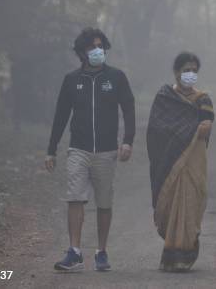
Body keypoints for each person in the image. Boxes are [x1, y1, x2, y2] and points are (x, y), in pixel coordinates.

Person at [45, 27, 135, 271]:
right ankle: (74, 251)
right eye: (91, 47)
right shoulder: (72, 80)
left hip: (106, 151)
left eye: (100, 46)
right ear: (82, 53)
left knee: (104, 202)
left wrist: (128, 140)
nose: (97, 50)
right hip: (78, 149)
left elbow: (128, 108)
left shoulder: (116, 77)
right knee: (75, 196)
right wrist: (51, 149)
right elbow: (61, 115)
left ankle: (101, 252)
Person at [146, 52, 213, 272]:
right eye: (186, 70)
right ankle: (171, 254)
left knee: (190, 203)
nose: (190, 74)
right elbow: (156, 130)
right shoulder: (164, 98)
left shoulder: (203, 98)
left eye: (194, 70)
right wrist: (187, 131)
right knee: (171, 203)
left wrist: (200, 128)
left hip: (193, 161)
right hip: (168, 162)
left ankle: (184, 254)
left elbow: (206, 124)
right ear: (176, 72)